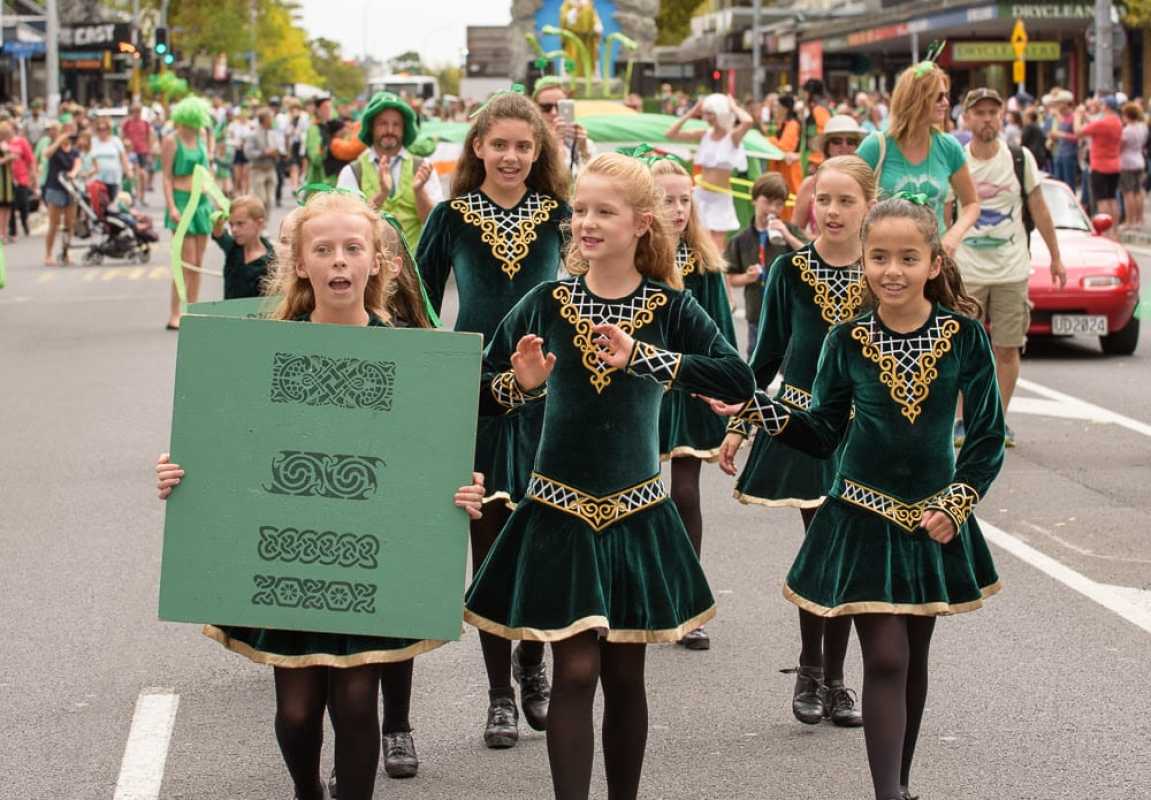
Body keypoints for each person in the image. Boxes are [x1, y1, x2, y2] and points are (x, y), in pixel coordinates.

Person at [156, 190, 486, 800]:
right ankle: (309, 790)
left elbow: (428, 455)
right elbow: (227, 442)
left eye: (353, 248)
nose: (339, 261)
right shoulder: (263, 347)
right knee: (298, 711)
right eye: (324, 249)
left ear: (377, 262)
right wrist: (182, 474)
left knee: (358, 702)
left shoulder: (413, 356)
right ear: (301, 263)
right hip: (289, 558)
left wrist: (461, 491)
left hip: (368, 559)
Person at [464, 152, 754, 800]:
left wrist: (647, 358)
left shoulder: (667, 306)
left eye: (603, 212)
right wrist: (522, 383)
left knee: (625, 677)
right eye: (580, 211)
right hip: (558, 514)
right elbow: (477, 390)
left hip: (636, 514)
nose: (585, 223)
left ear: (641, 224)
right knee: (574, 671)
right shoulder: (545, 301)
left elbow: (736, 377)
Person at [710, 196, 1005, 800]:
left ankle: (899, 781)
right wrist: (758, 410)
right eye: (878, 258)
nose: (891, 270)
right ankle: (888, 796)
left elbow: (986, 437)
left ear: (931, 263)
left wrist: (957, 501)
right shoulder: (845, 340)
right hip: (861, 515)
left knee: (914, 657)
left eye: (907, 257)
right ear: (864, 263)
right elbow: (822, 432)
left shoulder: (965, 338)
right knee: (888, 657)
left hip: (933, 522)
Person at [417, 91, 570, 749]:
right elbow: (416, 301)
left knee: (542, 536)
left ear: (538, 154)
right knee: (489, 542)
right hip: (474, 390)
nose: (510, 156)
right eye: (499, 144)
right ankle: (498, 696)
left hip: (548, 392)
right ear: (476, 147)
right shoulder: (450, 216)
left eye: (523, 147)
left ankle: (532, 662)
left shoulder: (561, 216)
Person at [719, 155, 874, 731]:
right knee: (823, 546)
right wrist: (740, 423)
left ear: (867, 205)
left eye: (845, 201)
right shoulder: (788, 271)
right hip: (804, 428)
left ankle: (835, 678)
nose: (830, 211)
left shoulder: (881, 270)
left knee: (850, 555)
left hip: (867, 434)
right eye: (822, 200)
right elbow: (767, 356)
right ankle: (815, 669)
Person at [647, 154, 737, 651]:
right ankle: (636, 595)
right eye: (666, 199)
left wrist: (730, 390)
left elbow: (721, 332)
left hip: (687, 392)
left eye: (685, 200)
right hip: (637, 391)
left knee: (684, 494)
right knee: (634, 497)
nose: (678, 209)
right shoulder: (635, 259)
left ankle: (688, 604)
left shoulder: (703, 262)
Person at [955, 88, 1067, 449]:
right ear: (967, 118)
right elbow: (944, 214)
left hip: (1011, 270)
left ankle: (996, 422)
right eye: (980, 112)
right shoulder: (956, 160)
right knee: (961, 350)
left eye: (993, 112)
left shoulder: (1020, 158)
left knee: (1007, 348)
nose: (987, 118)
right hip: (966, 271)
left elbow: (1039, 207)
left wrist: (1055, 256)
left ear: (1002, 116)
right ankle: (960, 421)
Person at [856, 61, 980, 254]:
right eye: (938, 97)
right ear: (917, 99)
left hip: (934, 260)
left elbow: (972, 203)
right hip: (883, 259)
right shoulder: (876, 146)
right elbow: (849, 196)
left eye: (946, 96)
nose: (946, 103)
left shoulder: (949, 147)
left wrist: (953, 236)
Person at [337, 92, 442, 247]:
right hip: (369, 269)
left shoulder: (423, 167)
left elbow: (434, 225)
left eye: (396, 124)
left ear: (404, 128)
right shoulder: (352, 171)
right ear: (371, 127)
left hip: (415, 268)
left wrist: (419, 191)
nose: (390, 130)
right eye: (383, 124)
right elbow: (347, 226)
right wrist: (381, 195)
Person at [725, 173, 807, 355]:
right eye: (767, 201)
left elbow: (810, 256)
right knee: (756, 355)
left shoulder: (789, 231)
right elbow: (731, 278)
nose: (772, 209)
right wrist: (747, 277)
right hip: (757, 311)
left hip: (786, 310)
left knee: (789, 357)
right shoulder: (740, 240)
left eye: (778, 204)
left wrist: (787, 235)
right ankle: (756, 384)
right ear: (754, 199)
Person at [666, 93, 754, 249]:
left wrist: (732, 106)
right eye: (705, 113)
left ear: (720, 113)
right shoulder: (704, 134)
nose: (706, 117)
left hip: (720, 196)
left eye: (710, 113)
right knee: (699, 241)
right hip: (701, 194)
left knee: (717, 245)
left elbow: (748, 122)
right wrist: (692, 112)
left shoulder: (732, 137)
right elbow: (670, 134)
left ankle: (716, 273)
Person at [161, 96, 216, 330]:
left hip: (201, 201)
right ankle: (175, 312)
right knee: (185, 262)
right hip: (182, 201)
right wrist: (172, 206)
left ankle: (193, 309)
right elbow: (166, 177)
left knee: (199, 262)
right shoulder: (171, 141)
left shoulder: (201, 136)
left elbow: (206, 169)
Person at [793, 114, 867, 236]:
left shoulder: (866, 184)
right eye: (837, 141)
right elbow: (795, 230)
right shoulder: (811, 184)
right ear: (827, 147)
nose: (844, 146)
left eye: (851, 141)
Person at [210, 194, 274, 299]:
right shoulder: (234, 247)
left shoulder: (270, 260)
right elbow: (218, 234)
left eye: (240, 224)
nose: (234, 230)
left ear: (259, 223)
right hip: (228, 312)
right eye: (231, 224)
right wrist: (219, 220)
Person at [1075, 95, 1123, 229]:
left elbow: (1078, 131)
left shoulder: (1102, 124)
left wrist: (1078, 116)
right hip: (1114, 165)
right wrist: (1086, 116)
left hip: (1100, 166)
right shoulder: (1117, 121)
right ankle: (1114, 230)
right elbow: (1094, 125)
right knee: (1112, 199)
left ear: (1106, 107)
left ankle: (1106, 230)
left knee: (1102, 201)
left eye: (1102, 105)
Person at [533, 77, 595, 173]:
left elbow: (594, 178)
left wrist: (584, 151)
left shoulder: (582, 141)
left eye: (560, 107)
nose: (553, 113)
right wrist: (555, 144)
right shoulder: (530, 143)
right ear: (534, 109)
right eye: (546, 107)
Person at [42, 122, 81, 266]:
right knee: (54, 224)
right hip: (55, 188)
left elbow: (77, 163)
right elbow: (46, 154)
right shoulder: (55, 147)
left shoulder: (74, 150)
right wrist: (59, 140)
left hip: (70, 188)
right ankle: (48, 254)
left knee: (69, 224)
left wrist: (73, 173)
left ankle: (66, 253)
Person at [766, 95, 803, 214]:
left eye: (777, 106)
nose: (774, 110)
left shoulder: (792, 124)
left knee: (789, 208)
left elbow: (784, 147)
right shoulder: (781, 125)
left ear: (785, 109)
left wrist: (769, 141)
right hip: (781, 172)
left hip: (789, 174)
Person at [4, 121, 37, 240]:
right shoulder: (3, 143)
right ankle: (13, 230)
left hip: (21, 177)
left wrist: (33, 175)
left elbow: (30, 159)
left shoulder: (21, 141)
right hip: (7, 178)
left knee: (23, 203)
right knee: (11, 204)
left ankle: (25, 222)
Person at [244, 108, 280, 211]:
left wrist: (277, 153)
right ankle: (259, 223)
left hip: (271, 169)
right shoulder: (253, 134)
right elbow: (248, 153)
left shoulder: (272, 133)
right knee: (260, 201)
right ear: (265, 119)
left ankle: (264, 224)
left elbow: (277, 148)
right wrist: (263, 152)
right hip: (258, 170)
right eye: (271, 118)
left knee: (269, 201)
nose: (272, 120)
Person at [1119, 101, 1147, 230]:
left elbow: (1121, 147)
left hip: (1127, 162)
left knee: (1128, 192)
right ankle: (1139, 219)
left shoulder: (1127, 130)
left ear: (1127, 115)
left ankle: (1129, 221)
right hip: (1139, 160)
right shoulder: (1143, 126)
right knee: (1138, 191)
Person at [89, 116, 132, 201]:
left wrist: (128, 171)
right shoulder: (93, 141)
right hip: (98, 178)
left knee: (113, 202)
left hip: (114, 177)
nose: (102, 131)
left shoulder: (115, 140)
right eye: (99, 129)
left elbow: (123, 157)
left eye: (104, 129)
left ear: (108, 129)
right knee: (99, 203)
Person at [121, 104, 154, 202]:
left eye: (138, 111)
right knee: (129, 174)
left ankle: (142, 196)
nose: (136, 114)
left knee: (142, 174)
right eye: (134, 112)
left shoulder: (145, 123)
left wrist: (149, 152)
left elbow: (149, 138)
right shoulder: (127, 123)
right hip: (130, 151)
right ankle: (130, 195)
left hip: (142, 151)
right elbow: (122, 136)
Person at [227, 107, 252, 196]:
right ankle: (239, 193)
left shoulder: (250, 125)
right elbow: (229, 138)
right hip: (237, 151)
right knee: (238, 176)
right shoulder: (233, 125)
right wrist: (236, 143)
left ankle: (246, 193)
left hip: (247, 152)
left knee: (246, 175)